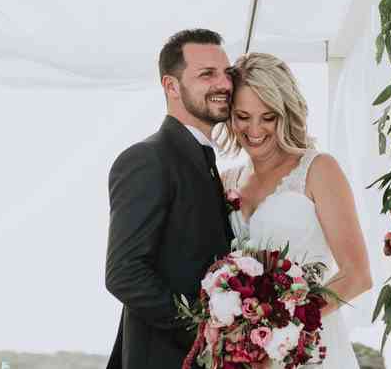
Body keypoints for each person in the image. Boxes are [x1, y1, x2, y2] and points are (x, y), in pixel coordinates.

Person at [218, 52, 372, 368]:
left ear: (286, 113)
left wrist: (281, 326)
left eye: (268, 117)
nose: (254, 129)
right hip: (248, 355)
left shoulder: (319, 169)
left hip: (312, 346)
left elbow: (357, 276)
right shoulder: (225, 181)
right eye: (243, 116)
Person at [105, 29, 235, 369]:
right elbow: (124, 273)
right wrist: (204, 331)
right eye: (207, 74)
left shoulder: (206, 163)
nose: (224, 84)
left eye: (226, 72)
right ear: (171, 86)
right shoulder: (147, 159)